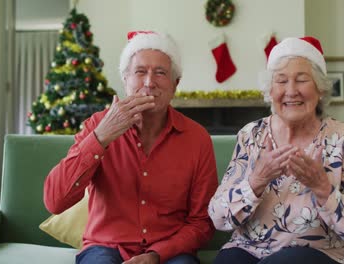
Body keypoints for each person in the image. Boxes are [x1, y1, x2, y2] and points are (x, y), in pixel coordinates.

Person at [44, 31, 218, 264]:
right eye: (140, 72)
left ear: (175, 85)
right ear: (125, 79)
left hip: (170, 251)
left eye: (160, 73)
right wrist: (101, 137)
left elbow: (202, 222)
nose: (149, 82)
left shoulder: (197, 138)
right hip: (104, 247)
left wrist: (157, 255)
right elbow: (55, 201)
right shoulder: (97, 125)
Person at [208, 36, 344, 264]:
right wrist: (257, 180)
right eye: (281, 81)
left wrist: (322, 188)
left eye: (302, 80)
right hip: (247, 249)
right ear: (270, 90)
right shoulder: (251, 135)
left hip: (316, 252)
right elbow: (218, 217)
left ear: (319, 89)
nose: (291, 91)